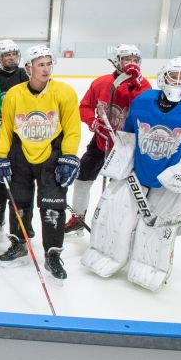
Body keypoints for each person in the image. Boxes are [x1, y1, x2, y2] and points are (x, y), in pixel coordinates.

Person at [81, 57, 181, 291]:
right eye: (172, 75)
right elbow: (129, 135)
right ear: (162, 77)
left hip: (172, 178)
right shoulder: (144, 100)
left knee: (155, 227)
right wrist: (121, 161)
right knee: (115, 213)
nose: (176, 81)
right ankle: (105, 254)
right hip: (138, 172)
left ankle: (150, 267)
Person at [0, 45, 81, 280]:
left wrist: (69, 156)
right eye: (40, 64)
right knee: (18, 203)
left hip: (52, 154)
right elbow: (7, 129)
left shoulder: (64, 92)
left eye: (49, 63)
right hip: (20, 153)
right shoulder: (14, 94)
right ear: (28, 67)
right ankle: (19, 243)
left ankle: (52, 254)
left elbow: (72, 128)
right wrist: (1, 156)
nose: (46, 68)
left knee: (53, 206)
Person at [64, 44, 151, 234]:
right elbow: (84, 107)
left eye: (135, 60)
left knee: (116, 189)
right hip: (100, 142)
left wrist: (135, 86)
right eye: (126, 59)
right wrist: (93, 122)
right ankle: (78, 216)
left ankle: (110, 223)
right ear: (116, 61)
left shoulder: (144, 86)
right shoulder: (101, 83)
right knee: (82, 179)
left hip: (126, 146)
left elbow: (145, 112)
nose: (131, 63)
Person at [0, 39, 32, 236]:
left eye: (13, 53)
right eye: (6, 55)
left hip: (21, 138)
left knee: (22, 180)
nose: (11, 57)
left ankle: (23, 219)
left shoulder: (26, 76)